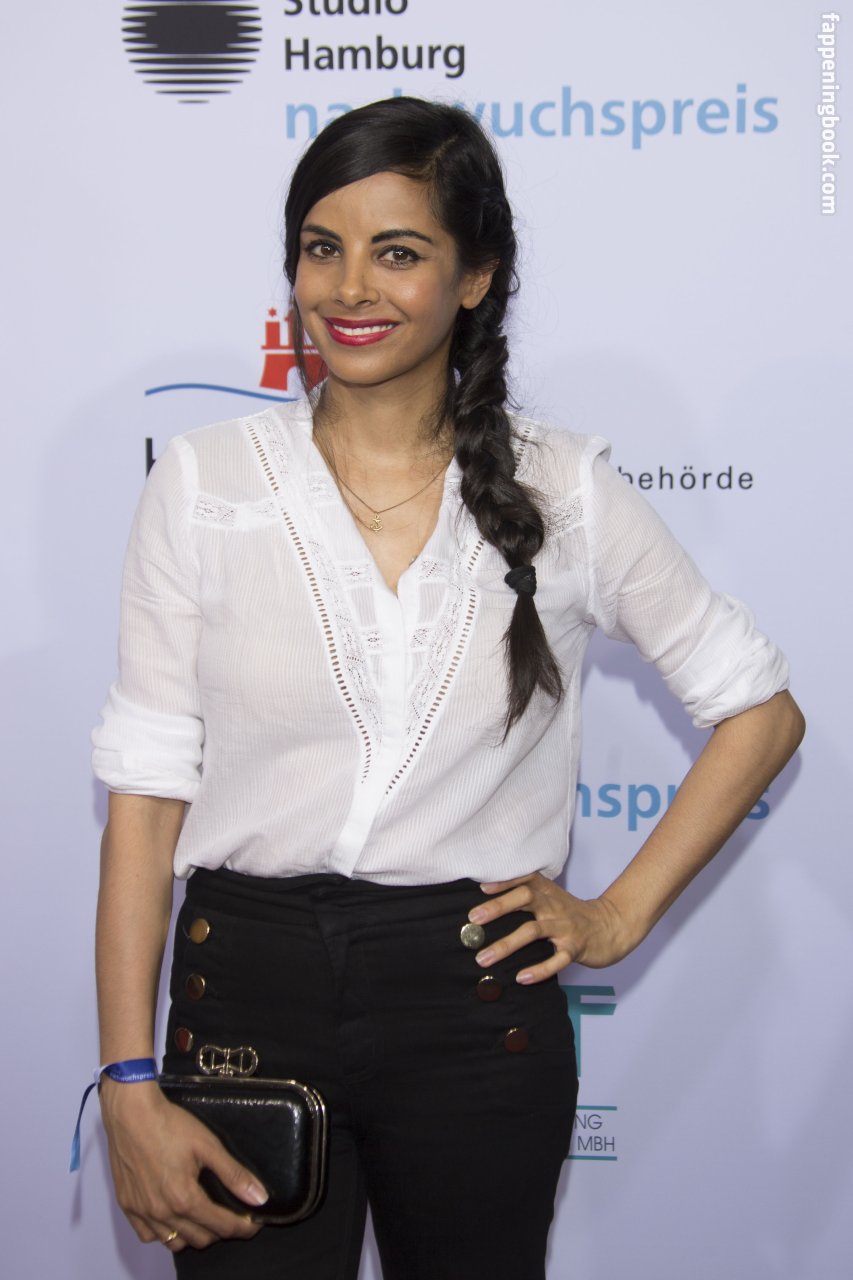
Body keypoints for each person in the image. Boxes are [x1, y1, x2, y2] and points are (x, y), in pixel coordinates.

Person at [91, 96, 804, 1280]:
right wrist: (125, 1078)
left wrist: (615, 915)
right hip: (245, 993)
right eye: (321, 248)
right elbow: (147, 793)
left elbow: (759, 710)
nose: (348, 287)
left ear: (475, 277)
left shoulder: (564, 488)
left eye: (398, 252)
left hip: (474, 1003)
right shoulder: (205, 483)